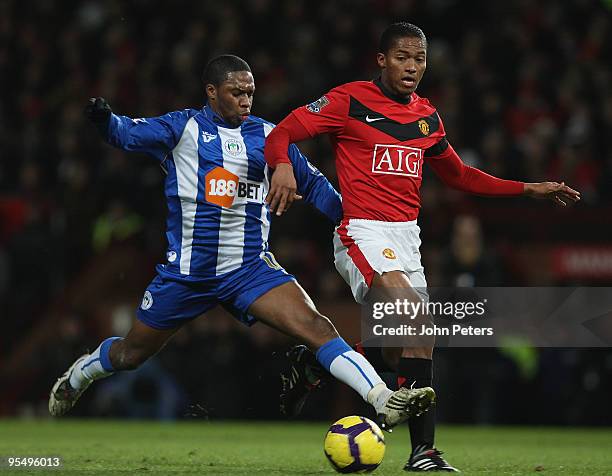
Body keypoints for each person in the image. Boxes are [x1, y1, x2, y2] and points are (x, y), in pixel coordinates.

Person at [48, 55, 436, 430]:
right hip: (188, 273)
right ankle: (82, 372)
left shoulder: (269, 136)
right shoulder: (182, 128)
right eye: (237, 93)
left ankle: (384, 398)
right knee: (131, 354)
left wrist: (352, 222)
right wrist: (104, 120)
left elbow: (316, 185)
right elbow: (127, 134)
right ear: (212, 91)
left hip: (250, 270)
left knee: (318, 328)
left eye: (251, 92)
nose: (247, 100)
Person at [264, 23, 580, 472]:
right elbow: (282, 132)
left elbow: (460, 175)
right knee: (418, 320)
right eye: (402, 57)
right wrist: (282, 167)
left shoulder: (426, 116)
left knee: (408, 347)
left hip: (407, 238)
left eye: (419, 59)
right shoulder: (346, 100)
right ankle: (422, 448)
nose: (412, 67)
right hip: (363, 231)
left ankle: (326, 368)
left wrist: (526, 189)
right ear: (382, 59)